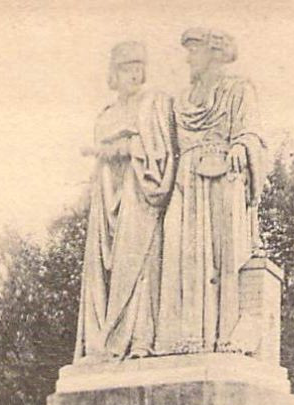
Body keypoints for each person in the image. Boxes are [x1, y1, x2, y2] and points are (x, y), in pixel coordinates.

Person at [154, 27, 266, 355]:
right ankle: (180, 338)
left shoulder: (238, 89)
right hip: (186, 179)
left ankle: (223, 337)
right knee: (179, 249)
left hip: (223, 176)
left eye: (194, 50)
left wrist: (241, 146)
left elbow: (252, 130)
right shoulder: (181, 100)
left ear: (214, 51)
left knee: (221, 253)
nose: (189, 58)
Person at [74, 40, 177, 361]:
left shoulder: (154, 104)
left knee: (142, 262)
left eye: (139, 67)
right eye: (127, 67)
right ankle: (103, 342)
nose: (135, 74)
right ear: (113, 73)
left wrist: (121, 149)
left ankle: (140, 341)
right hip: (107, 195)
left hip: (139, 190)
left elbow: (161, 150)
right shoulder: (106, 114)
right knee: (105, 270)